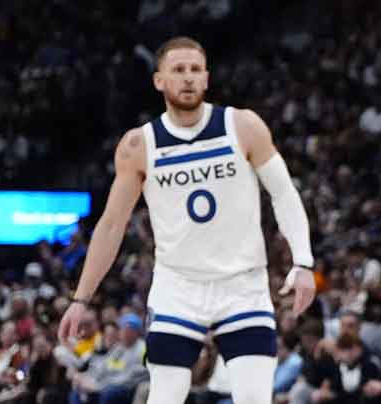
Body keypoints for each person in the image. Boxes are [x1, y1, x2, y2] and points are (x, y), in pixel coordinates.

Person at [57, 36, 317, 404]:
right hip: (178, 287)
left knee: (255, 398)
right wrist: (81, 299)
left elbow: (284, 194)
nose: (188, 78)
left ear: (207, 78)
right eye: (178, 70)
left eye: (196, 70)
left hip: (242, 285)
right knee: (165, 395)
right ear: (159, 80)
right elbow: (111, 225)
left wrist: (303, 261)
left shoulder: (242, 126)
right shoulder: (139, 145)